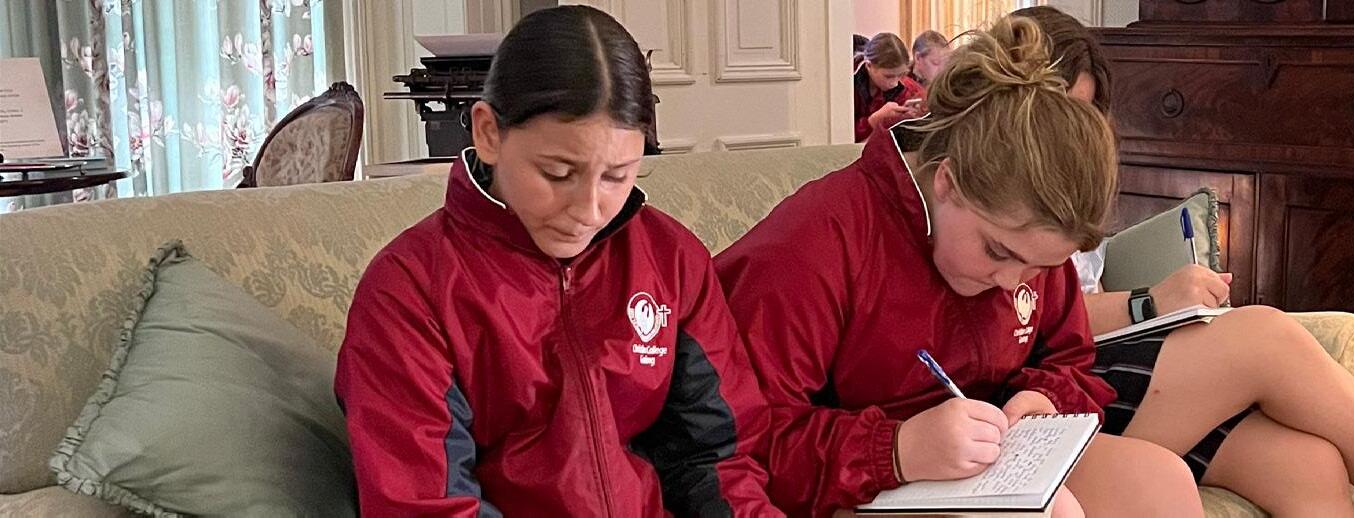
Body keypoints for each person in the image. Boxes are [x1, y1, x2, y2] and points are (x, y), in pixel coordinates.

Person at [1012, 6, 1354, 518]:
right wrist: (1148, 302)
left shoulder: (1074, 186)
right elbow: (1037, 320)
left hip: (1093, 358)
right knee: (1263, 335)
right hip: (1057, 382)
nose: (1073, 138)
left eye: (1084, 117)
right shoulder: (1000, 209)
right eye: (1058, 113)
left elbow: (1072, 301)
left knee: (1306, 465)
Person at [717, 16, 1204, 518]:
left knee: (1161, 482)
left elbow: (1069, 356)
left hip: (979, 463)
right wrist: (895, 450)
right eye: (997, 251)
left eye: (1039, 268)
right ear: (947, 182)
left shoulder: (1028, 241)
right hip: (837, 485)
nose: (1012, 283)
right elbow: (737, 444)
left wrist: (1044, 401)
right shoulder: (814, 243)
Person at [334, 6, 780, 517]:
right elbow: (425, 504)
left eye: (616, 176)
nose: (588, 211)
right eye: (557, 173)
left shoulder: (671, 259)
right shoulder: (408, 289)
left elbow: (717, 460)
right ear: (488, 133)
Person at [853, 32, 926, 143]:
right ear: (869, 65)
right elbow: (837, 135)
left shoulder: (907, 86)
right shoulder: (846, 86)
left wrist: (915, 113)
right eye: (888, 76)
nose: (895, 83)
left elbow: (927, 103)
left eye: (901, 75)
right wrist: (874, 120)